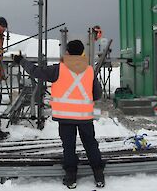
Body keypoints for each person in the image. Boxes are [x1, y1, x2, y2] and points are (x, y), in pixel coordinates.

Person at [13, 40, 105, 189]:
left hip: (65, 117)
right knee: (90, 145)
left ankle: (71, 178)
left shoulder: (58, 69)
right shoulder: (89, 70)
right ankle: (99, 176)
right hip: (85, 117)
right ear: (82, 52)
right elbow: (97, 94)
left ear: (67, 52)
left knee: (69, 147)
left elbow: (36, 72)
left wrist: (21, 61)